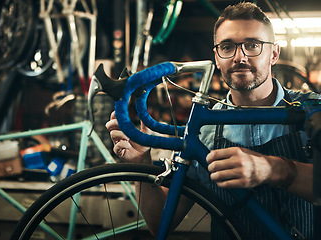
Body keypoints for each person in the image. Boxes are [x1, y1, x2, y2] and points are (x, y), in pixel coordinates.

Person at [106, 2, 319, 239]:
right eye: (227, 47)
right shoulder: (205, 129)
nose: (240, 56)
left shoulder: (312, 110)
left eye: (253, 45)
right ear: (217, 58)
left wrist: (274, 169)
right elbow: (160, 223)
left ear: (274, 54)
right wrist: (142, 161)